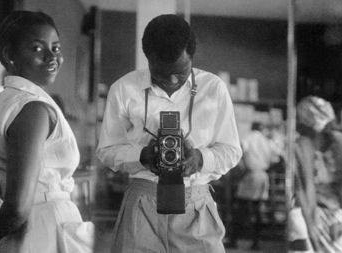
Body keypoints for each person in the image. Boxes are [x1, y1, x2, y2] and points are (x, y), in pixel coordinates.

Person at [96, 14, 242, 253]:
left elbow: (232, 150)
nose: (172, 80)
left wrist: (199, 159)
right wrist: (142, 156)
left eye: (181, 72)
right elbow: (106, 150)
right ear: (148, 58)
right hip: (142, 202)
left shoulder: (213, 88)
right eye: (161, 74)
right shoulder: (123, 89)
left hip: (195, 203)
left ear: (191, 58)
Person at [0, 11, 93, 252]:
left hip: (33, 228)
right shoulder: (33, 109)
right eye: (37, 48)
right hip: (44, 226)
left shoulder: (3, 102)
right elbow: (19, 206)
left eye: (56, 48)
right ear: (10, 55)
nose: (52, 57)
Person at [289, 96, 342, 253]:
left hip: (340, 217)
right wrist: (310, 224)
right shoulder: (300, 147)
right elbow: (300, 190)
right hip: (314, 215)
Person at [226, 122, 283, 250]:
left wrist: (241, 170)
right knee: (258, 209)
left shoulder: (248, 137)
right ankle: (256, 242)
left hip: (250, 174)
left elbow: (238, 152)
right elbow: (279, 158)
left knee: (240, 208)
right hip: (263, 175)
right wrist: (268, 168)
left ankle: (234, 239)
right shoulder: (267, 141)